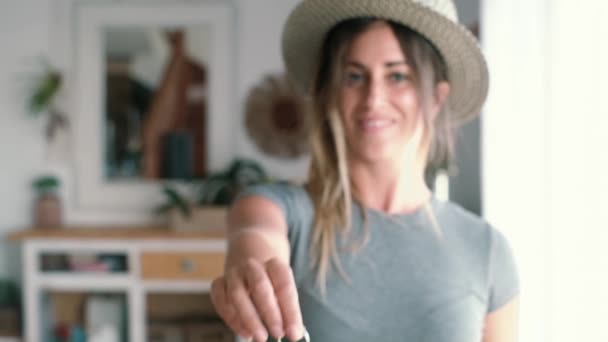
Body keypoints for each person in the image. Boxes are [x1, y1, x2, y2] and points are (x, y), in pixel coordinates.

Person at [211, 0, 519, 341]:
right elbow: (256, 241)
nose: (373, 98)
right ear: (329, 93)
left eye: (397, 76)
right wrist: (252, 275)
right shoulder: (278, 210)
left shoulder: (487, 250)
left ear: (435, 98)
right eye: (354, 76)